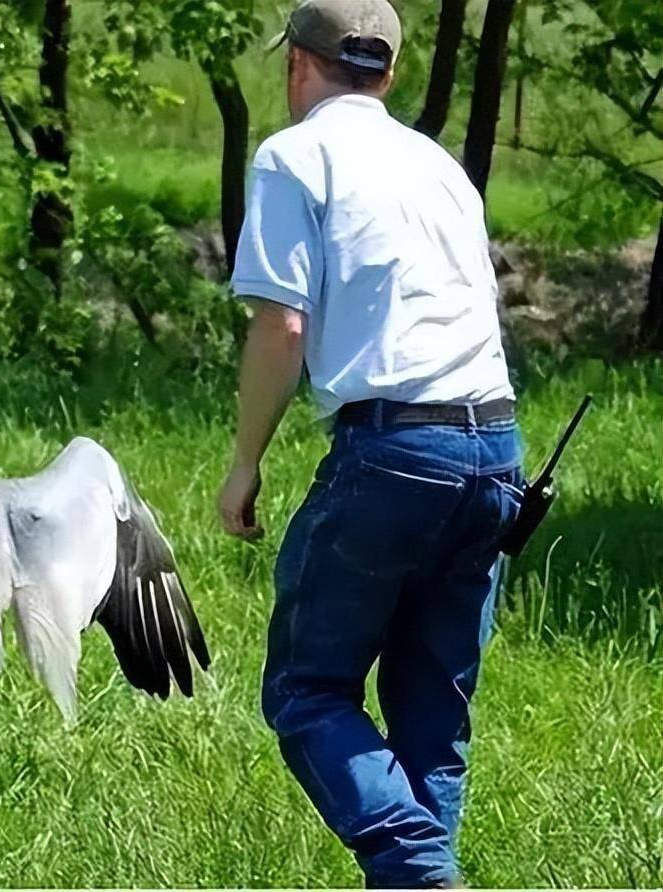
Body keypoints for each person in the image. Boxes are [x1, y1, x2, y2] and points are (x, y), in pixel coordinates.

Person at [216, 0, 526, 886]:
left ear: (296, 68)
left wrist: (245, 464)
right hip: (495, 447)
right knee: (432, 716)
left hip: (392, 452)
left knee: (308, 692)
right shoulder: (440, 169)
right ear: (386, 75)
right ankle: (425, 872)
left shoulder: (294, 154)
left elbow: (282, 324)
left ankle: (423, 873)